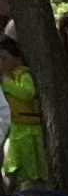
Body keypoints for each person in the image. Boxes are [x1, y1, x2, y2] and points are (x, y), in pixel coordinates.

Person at [0, 39, 45, 185]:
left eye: (4, 58)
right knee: (11, 168)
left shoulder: (24, 75)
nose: (1, 62)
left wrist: (8, 84)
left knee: (30, 171)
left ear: (17, 58)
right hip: (14, 130)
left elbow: (28, 93)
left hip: (29, 131)